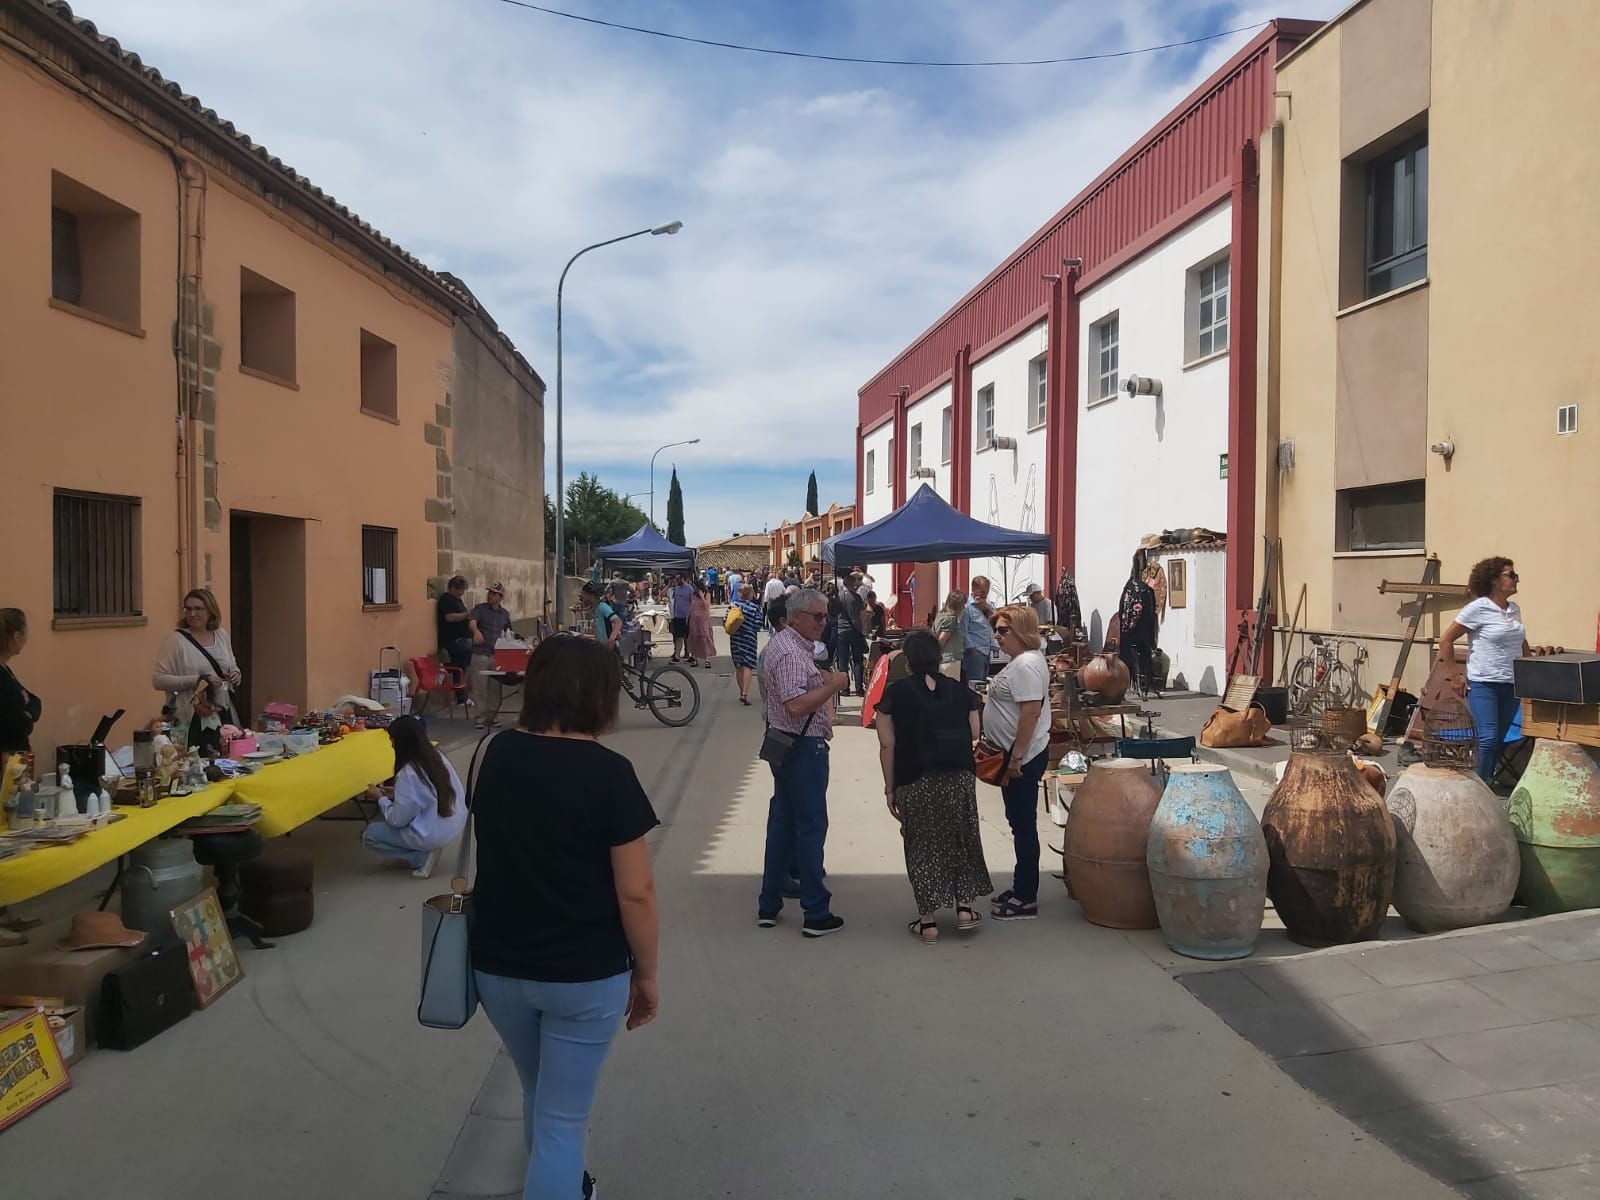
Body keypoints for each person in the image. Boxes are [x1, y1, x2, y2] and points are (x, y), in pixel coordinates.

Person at [470, 636, 660, 1200]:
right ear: (599, 697)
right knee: (562, 1119)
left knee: (541, 1094)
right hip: (584, 974)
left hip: (499, 965)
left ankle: (568, 1183)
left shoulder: (492, 753)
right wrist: (648, 974)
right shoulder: (609, 773)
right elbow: (637, 893)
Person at [875, 629, 991, 944]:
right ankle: (964, 909)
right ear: (938, 659)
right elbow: (974, 733)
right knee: (960, 838)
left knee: (921, 846)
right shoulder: (960, 691)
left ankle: (928, 923)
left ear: (908, 662)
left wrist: (890, 788)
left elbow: (887, 745)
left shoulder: (895, 694)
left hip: (914, 777)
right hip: (958, 776)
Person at [757, 588, 851, 936]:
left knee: (782, 825)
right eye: (817, 616)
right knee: (810, 827)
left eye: (826, 616)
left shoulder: (786, 646)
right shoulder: (791, 654)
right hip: (802, 748)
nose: (823, 622)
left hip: (784, 744)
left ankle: (769, 904)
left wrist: (822, 679)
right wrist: (835, 684)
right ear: (796, 617)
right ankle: (815, 911)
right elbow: (796, 705)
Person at [984, 605, 1053, 922]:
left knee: (1023, 826)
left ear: (1021, 631)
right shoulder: (1024, 661)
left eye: (1003, 630)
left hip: (1022, 757)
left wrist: (1017, 757)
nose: (997, 637)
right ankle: (1020, 886)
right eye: (996, 630)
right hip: (1015, 754)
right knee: (1019, 823)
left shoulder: (1025, 665)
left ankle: (1026, 896)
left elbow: (1030, 712)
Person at [1439, 556, 1530, 785]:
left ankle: (1485, 781)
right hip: (1484, 683)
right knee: (1488, 738)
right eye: (1511, 575)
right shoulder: (1478, 608)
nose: (1516, 579)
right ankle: (1477, 786)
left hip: (1511, 683)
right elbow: (1446, 641)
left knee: (1499, 739)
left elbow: (1520, 641)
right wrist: (1455, 676)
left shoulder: (1514, 609)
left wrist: (1530, 669)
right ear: (1494, 580)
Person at [360, 715, 466, 879]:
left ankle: (420, 858)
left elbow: (397, 820)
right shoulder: (437, 756)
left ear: (402, 742)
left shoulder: (408, 773)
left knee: (370, 835)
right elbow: (425, 793)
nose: (391, 744)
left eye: (392, 740)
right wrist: (396, 793)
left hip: (431, 832)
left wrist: (380, 798)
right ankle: (420, 852)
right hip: (453, 823)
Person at [153, 588, 241, 753]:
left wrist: (236, 674)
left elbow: (232, 665)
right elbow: (158, 680)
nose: (192, 614)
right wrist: (199, 679)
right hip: (189, 716)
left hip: (222, 713)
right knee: (193, 758)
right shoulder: (175, 640)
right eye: (188, 609)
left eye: (198, 609)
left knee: (225, 757)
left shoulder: (221, 635)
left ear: (210, 610)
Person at [0, 609, 41, 946]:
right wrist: (27, 712)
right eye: (25, 633)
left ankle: (4, 910)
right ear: (15, 637)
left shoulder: (6, 671)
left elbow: (34, 703)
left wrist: (29, 709)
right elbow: (20, 719)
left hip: (13, 760)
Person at [468, 583, 515, 728]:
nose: (490, 596)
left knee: (495, 688)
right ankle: (480, 717)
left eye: (494, 594)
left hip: (497, 655)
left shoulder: (504, 614)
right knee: (480, 687)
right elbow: (472, 622)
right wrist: (476, 630)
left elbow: (509, 632)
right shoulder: (480, 609)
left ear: (500, 597)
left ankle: (493, 716)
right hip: (480, 652)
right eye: (490, 592)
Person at [1117, 551, 1160, 699]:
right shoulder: (1146, 590)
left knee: (1128, 654)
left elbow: (1121, 611)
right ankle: (1145, 685)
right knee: (1144, 655)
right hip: (1143, 633)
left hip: (1129, 633)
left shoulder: (1128, 588)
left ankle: (1131, 683)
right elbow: (1152, 614)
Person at [435, 575, 473, 709]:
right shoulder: (447, 600)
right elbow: (449, 617)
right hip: (453, 639)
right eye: (460, 589)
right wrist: (466, 615)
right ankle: (444, 668)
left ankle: (460, 698)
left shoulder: (457, 600)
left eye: (463, 589)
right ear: (452, 588)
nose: (462, 592)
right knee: (466, 659)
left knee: (460, 668)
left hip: (461, 638)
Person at [730, 586, 765, 706]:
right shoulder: (755, 608)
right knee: (748, 665)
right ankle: (745, 694)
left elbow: (726, 621)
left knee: (739, 666)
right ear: (750, 594)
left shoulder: (733, 605)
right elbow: (758, 625)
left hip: (735, 638)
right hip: (749, 639)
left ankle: (741, 692)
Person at [961, 576, 997, 688]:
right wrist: (972, 650)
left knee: (983, 686)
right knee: (975, 686)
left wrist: (985, 608)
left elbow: (997, 620)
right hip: (975, 652)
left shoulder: (988, 605)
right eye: (982, 592)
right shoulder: (967, 607)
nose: (985, 595)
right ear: (974, 589)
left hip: (987, 650)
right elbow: (963, 630)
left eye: (987, 592)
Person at [838, 576, 869, 696]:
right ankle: (859, 688)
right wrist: (863, 629)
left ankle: (844, 688)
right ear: (853, 583)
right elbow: (863, 614)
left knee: (843, 660)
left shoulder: (839, 596)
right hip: (855, 630)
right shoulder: (856, 597)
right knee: (857, 660)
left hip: (841, 630)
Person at [934, 590, 967, 679]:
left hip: (944, 659)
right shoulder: (951, 619)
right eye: (962, 605)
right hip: (950, 659)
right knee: (951, 685)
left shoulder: (941, 615)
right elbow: (942, 640)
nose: (964, 607)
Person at [580, 582, 622, 652]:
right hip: (601, 648)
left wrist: (612, 639)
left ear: (591, 596)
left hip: (609, 648)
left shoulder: (602, 607)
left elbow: (618, 622)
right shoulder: (595, 609)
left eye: (583, 594)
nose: (582, 598)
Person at [667, 574, 696, 664]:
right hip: (677, 616)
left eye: (678, 579)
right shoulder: (676, 589)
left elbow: (692, 602)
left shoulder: (690, 589)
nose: (676, 581)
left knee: (688, 637)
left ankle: (691, 655)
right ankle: (677, 656)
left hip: (687, 616)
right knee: (678, 637)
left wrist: (691, 614)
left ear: (683, 579)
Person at [687, 580, 716, 668]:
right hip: (694, 620)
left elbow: (707, 605)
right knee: (695, 638)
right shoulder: (693, 595)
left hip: (704, 620)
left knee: (705, 638)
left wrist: (702, 596)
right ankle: (695, 658)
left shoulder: (706, 594)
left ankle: (707, 659)